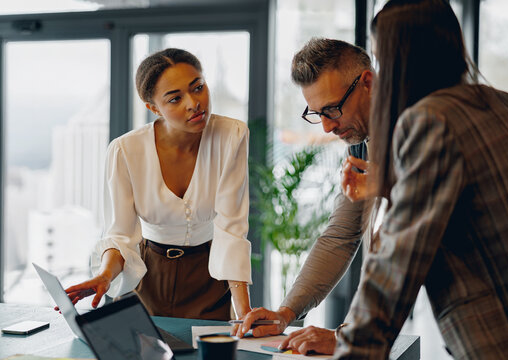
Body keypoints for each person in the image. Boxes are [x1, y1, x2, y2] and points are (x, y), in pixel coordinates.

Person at [338, 0, 508, 359]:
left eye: (379, 59)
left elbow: (393, 272)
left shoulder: (430, 122)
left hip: (505, 340)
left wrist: (350, 349)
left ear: (398, 60)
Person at [62, 48, 252, 321]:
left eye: (198, 87)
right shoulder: (125, 150)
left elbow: (231, 228)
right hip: (147, 276)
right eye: (175, 98)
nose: (193, 103)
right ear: (153, 108)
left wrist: (244, 312)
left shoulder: (231, 135)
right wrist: (104, 276)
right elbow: (121, 236)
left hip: (210, 275)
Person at [236, 38, 375, 355]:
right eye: (317, 113)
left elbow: (402, 253)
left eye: (333, 109)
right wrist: (286, 313)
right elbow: (341, 233)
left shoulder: (418, 132)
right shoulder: (360, 144)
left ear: (367, 82)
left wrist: (345, 338)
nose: (327, 127)